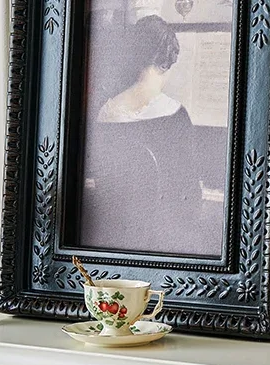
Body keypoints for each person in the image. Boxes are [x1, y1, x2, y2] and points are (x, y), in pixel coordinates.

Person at [81, 15, 209, 256]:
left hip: (114, 235)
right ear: (166, 61)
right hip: (162, 241)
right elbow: (190, 196)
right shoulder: (177, 116)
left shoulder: (105, 114)